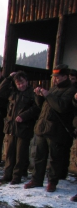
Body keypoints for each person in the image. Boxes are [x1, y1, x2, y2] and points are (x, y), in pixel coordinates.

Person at [24, 64, 75, 192]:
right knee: (39, 156)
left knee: (55, 158)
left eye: (57, 77)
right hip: (43, 128)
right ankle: (37, 179)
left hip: (57, 130)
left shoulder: (70, 90)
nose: (55, 79)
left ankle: (52, 182)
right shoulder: (53, 89)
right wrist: (38, 96)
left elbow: (61, 107)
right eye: (54, 77)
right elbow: (42, 106)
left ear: (64, 76)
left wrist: (48, 95)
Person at [0, 71, 40, 185]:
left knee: (20, 154)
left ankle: (17, 176)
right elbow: (0, 91)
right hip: (11, 127)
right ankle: (7, 175)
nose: (21, 86)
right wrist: (9, 79)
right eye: (18, 83)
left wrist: (24, 116)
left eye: (22, 83)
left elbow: (36, 108)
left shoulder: (32, 93)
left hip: (24, 127)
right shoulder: (12, 92)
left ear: (26, 81)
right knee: (9, 153)